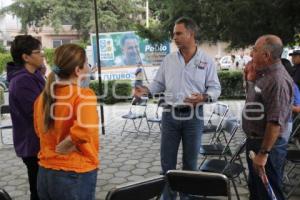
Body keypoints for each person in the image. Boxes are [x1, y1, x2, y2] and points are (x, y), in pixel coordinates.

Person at [135, 17, 221, 199]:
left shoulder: (206, 60)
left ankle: (186, 197)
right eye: (174, 33)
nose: (175, 37)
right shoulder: (169, 60)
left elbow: (215, 88)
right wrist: (146, 91)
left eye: (179, 33)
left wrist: (204, 97)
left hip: (193, 118)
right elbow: (158, 83)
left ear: (191, 34)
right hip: (170, 116)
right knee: (167, 164)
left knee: (190, 164)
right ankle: (169, 197)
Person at [33, 44, 99, 200]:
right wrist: (69, 142)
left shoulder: (42, 98)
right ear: (78, 70)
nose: (89, 69)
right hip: (74, 173)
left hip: (45, 172)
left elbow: (38, 130)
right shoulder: (84, 95)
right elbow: (86, 129)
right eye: (87, 65)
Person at [243, 35, 293, 200]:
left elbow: (275, 122)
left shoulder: (277, 80)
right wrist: (249, 80)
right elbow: (253, 102)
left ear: (266, 56)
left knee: (268, 193)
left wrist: (263, 153)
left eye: (255, 50)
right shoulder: (263, 74)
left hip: (267, 147)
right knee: (257, 191)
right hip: (255, 142)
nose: (251, 54)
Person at [6, 35, 45, 200]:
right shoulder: (22, 81)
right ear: (26, 57)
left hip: (40, 141)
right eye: (38, 52)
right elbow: (38, 112)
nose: (43, 54)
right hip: (33, 145)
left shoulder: (34, 74)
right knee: (39, 191)